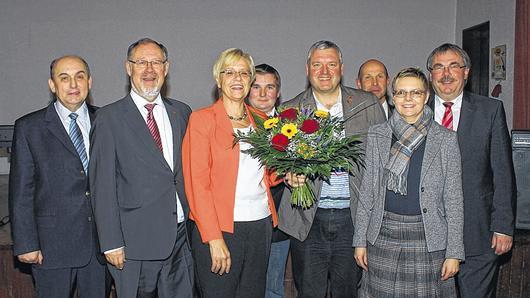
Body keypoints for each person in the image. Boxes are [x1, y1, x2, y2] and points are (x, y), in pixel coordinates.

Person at [278, 40, 385, 298]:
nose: (324, 72)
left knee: (348, 291)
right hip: (307, 220)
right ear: (307, 69)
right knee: (309, 291)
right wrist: (287, 175)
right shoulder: (288, 111)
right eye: (317, 65)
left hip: (353, 219)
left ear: (342, 68)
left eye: (331, 64)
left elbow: (383, 162)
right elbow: (278, 162)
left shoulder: (367, 105)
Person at [89, 38, 194, 297]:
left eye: (156, 62)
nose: (149, 70)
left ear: (166, 68)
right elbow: (101, 186)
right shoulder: (109, 118)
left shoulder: (181, 112)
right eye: (141, 62)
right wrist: (111, 242)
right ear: (128, 68)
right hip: (134, 244)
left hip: (181, 239)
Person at [353, 67, 464, 297]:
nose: (408, 99)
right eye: (401, 93)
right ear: (393, 97)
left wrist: (454, 252)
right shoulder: (377, 134)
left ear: (426, 96)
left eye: (415, 92)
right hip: (382, 236)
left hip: (427, 238)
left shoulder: (445, 139)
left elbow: (454, 200)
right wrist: (360, 240)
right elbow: (367, 192)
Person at [182, 48, 279, 298]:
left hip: (260, 225)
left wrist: (292, 173)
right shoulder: (202, 120)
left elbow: (267, 174)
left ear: (250, 80)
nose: (237, 78)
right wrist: (213, 238)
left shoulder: (261, 121)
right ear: (218, 79)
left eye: (244, 73)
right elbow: (197, 184)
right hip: (221, 228)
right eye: (230, 72)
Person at [9, 55, 107, 297]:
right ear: (52, 85)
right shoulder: (29, 128)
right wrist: (26, 243)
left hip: (100, 247)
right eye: (64, 78)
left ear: (90, 82)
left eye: (79, 77)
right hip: (51, 246)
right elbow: (21, 191)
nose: (73, 85)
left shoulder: (107, 121)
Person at [426, 43, 516, 298]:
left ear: (466, 72)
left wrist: (503, 226)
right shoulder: (415, 111)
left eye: (454, 66)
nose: (446, 74)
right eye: (439, 67)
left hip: (479, 234)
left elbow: (503, 173)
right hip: (428, 237)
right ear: (430, 74)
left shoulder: (490, 110)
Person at [248, 63, 289, 298]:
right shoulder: (234, 125)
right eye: (256, 87)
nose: (263, 94)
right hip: (242, 226)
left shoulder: (293, 126)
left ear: (278, 91)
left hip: (278, 228)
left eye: (269, 87)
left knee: (273, 288)